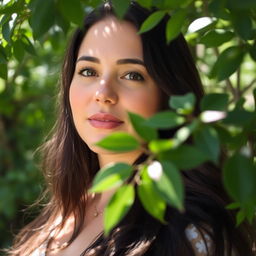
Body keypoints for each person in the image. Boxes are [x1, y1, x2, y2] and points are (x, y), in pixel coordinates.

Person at [7, 2, 255, 256]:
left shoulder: (193, 235)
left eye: (132, 75)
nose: (103, 93)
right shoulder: (72, 205)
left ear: (169, 93)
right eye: (88, 71)